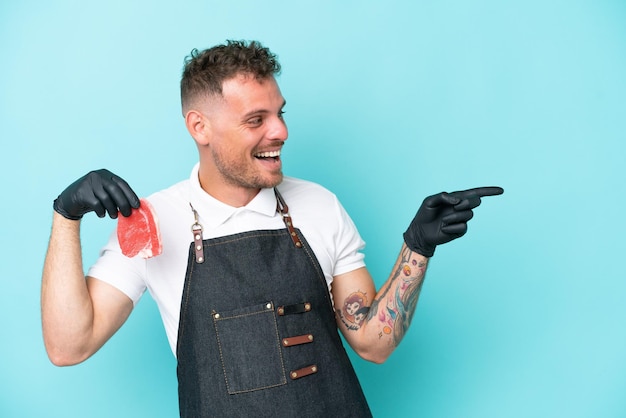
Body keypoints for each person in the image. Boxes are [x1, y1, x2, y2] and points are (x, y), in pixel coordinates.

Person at [41, 40, 503, 417]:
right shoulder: (152, 221)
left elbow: (372, 343)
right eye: (255, 120)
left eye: (280, 113)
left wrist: (416, 249)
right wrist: (67, 216)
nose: (279, 131)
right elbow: (68, 346)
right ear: (199, 127)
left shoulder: (319, 205)